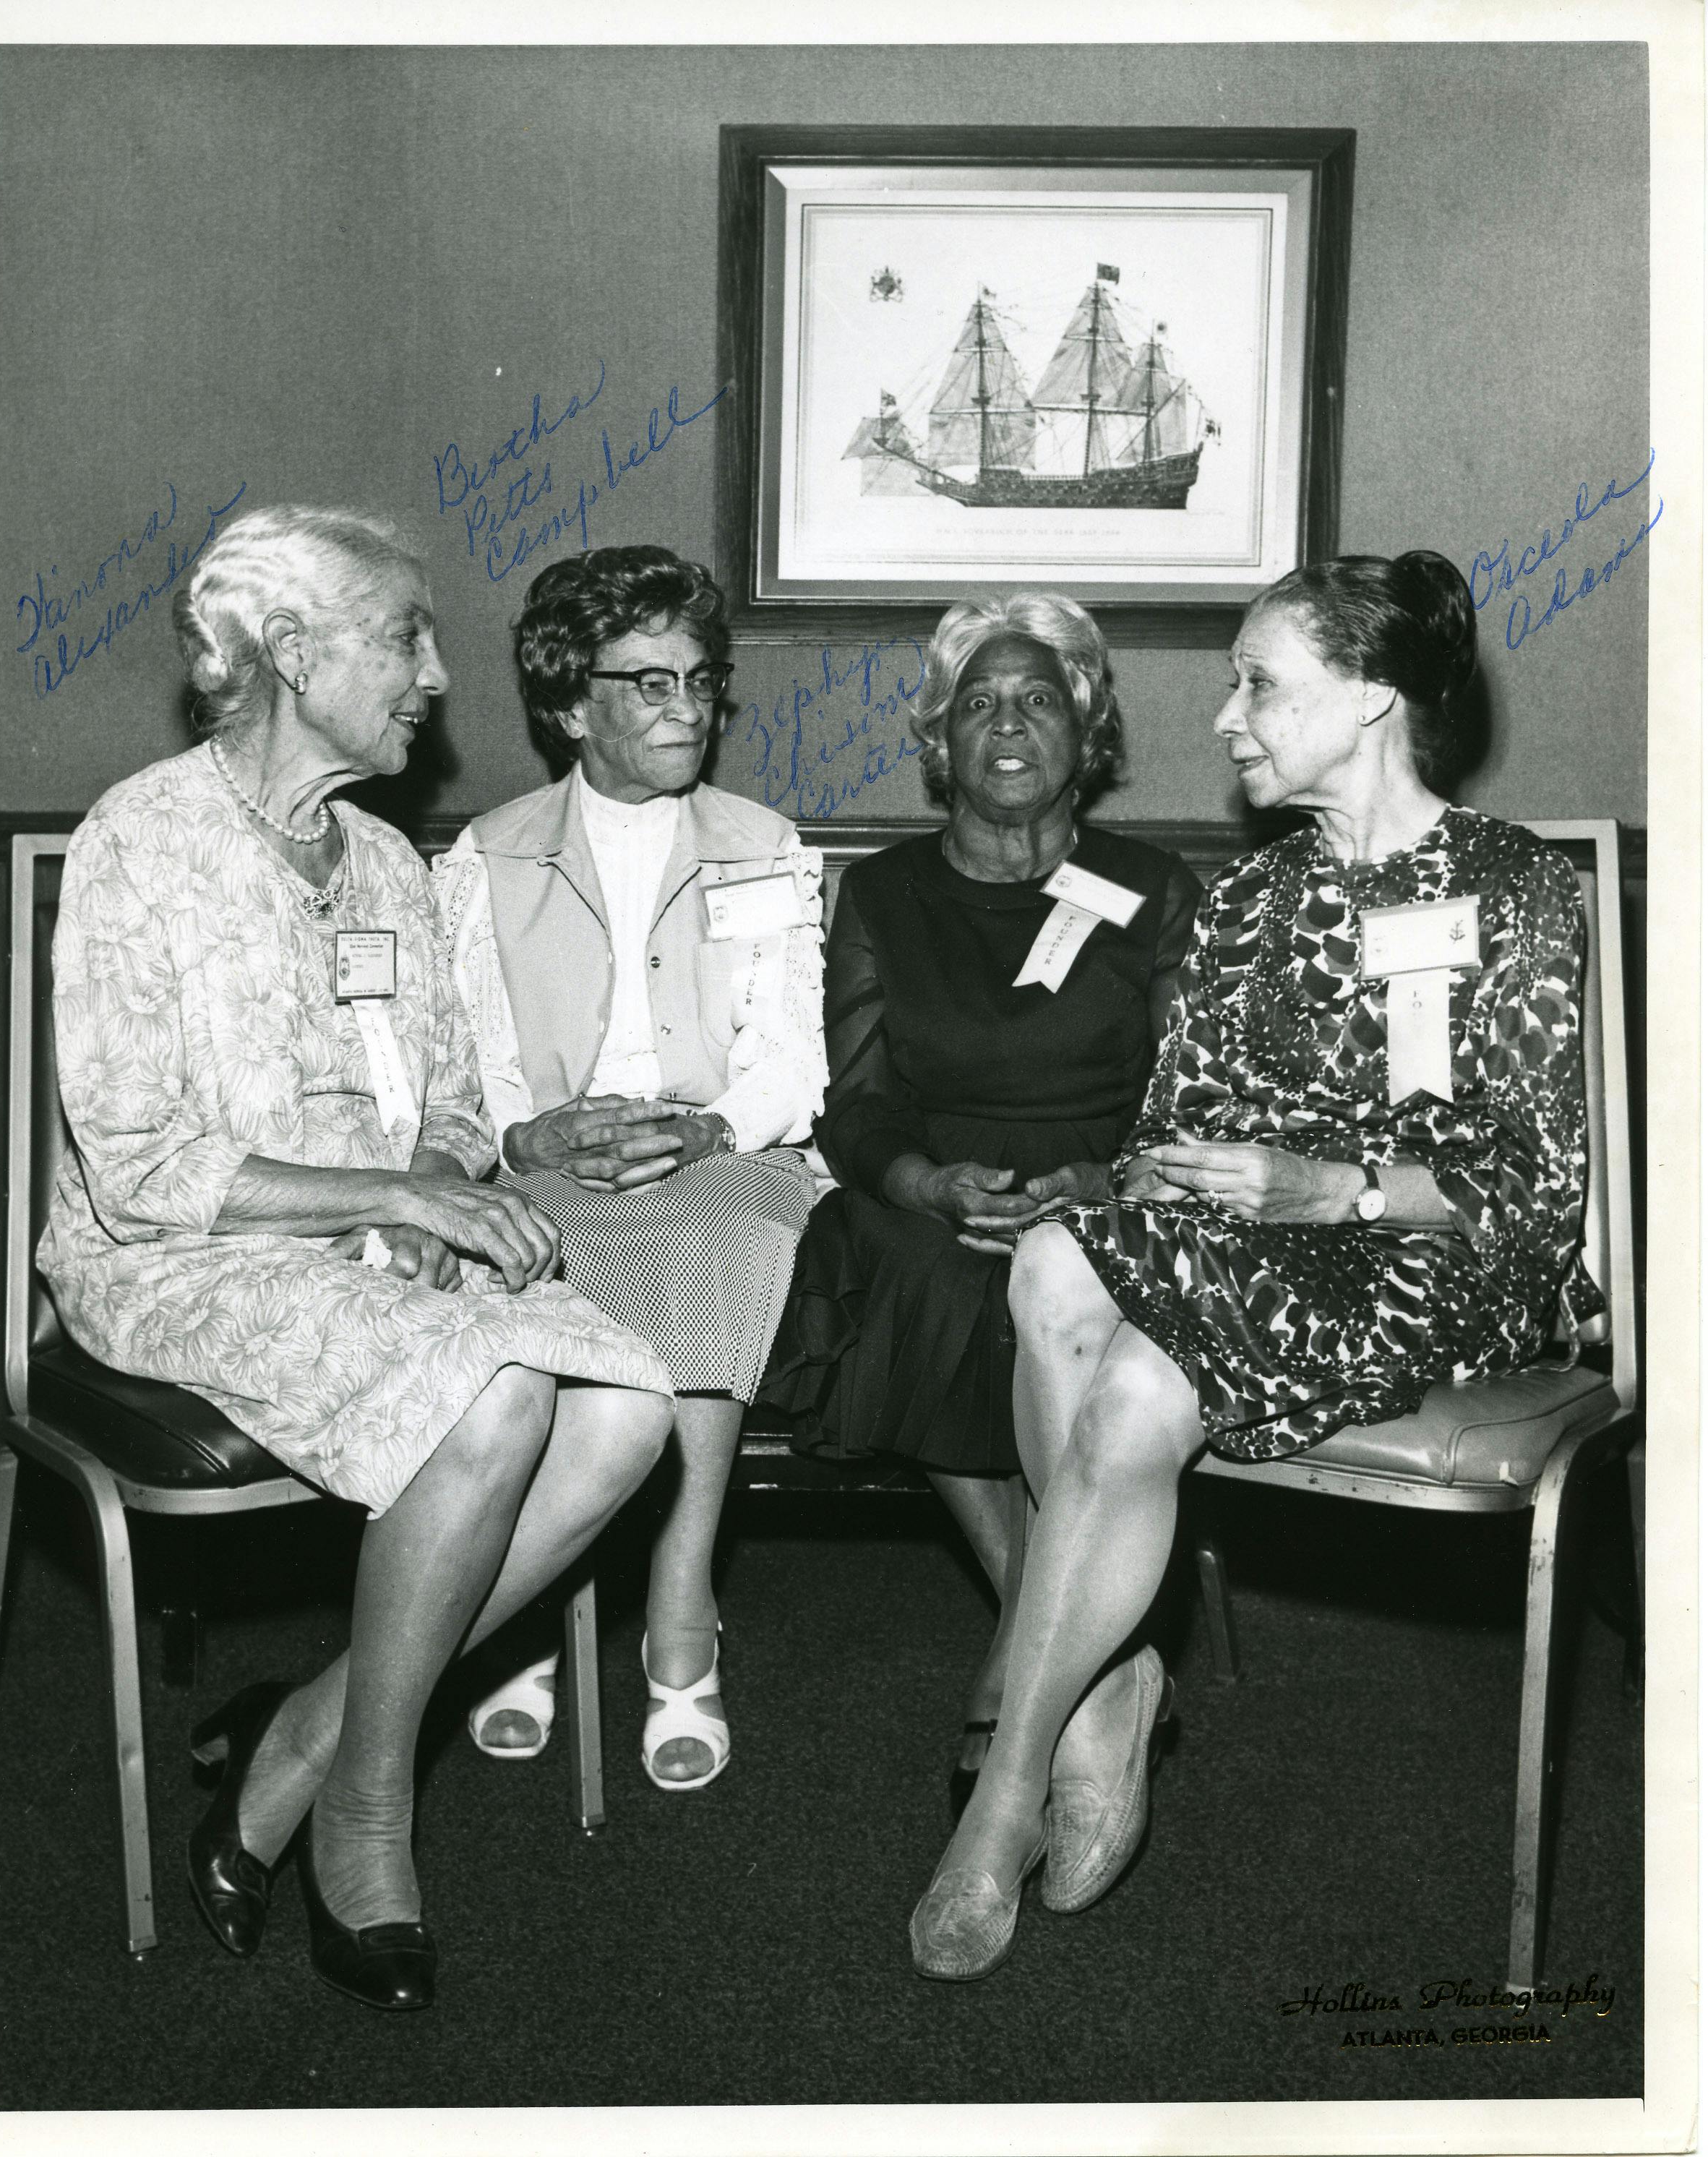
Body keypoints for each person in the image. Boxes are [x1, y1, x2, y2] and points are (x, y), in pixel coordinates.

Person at [907, 549, 1605, 1981]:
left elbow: (1536, 1193)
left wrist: (1328, 1186)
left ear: (1368, 701)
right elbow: (1173, 1129)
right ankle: (1105, 1677)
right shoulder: (1250, 897)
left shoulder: (1514, 885)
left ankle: (1009, 1789)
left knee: (1130, 1388)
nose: (1226, 717)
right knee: (1053, 1267)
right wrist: (1202, 1178)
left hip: (1434, 1260)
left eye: (1259, 684)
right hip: (1263, 1254)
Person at [38, 505, 676, 2012]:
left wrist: (437, 1189)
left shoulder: (390, 859)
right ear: (291, 654)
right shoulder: (146, 839)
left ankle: (307, 1737)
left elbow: (450, 1102)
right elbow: (139, 1170)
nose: (438, 676)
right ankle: (367, 1811)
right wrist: (392, 1202)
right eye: (404, 638)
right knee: (503, 1393)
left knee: (632, 1402)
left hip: (378, 1254)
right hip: (182, 1262)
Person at [764, 591, 1202, 1817]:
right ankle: (1083, 1648)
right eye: (979, 703)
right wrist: (923, 1180)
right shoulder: (886, 896)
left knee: (1046, 1281)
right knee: (900, 1260)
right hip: (933, 1199)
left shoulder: (1152, 888)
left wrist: (1100, 1183)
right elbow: (854, 1106)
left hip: (1109, 1196)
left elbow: (1190, 1107)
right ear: (940, 739)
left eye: (1040, 698)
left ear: (1091, 729)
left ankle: (1022, 1677)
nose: (1009, 725)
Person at [434, 544, 825, 1789]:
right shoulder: (487, 856)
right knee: (529, 1242)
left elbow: (793, 1064)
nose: (688, 711)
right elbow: (474, 1062)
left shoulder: (762, 845)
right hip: (551, 1156)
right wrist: (529, 1139)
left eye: (702, 682)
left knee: (713, 1237)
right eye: (648, 684)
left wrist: (708, 1130)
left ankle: (679, 1606)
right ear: (567, 705)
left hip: (728, 1154)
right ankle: (534, 1591)